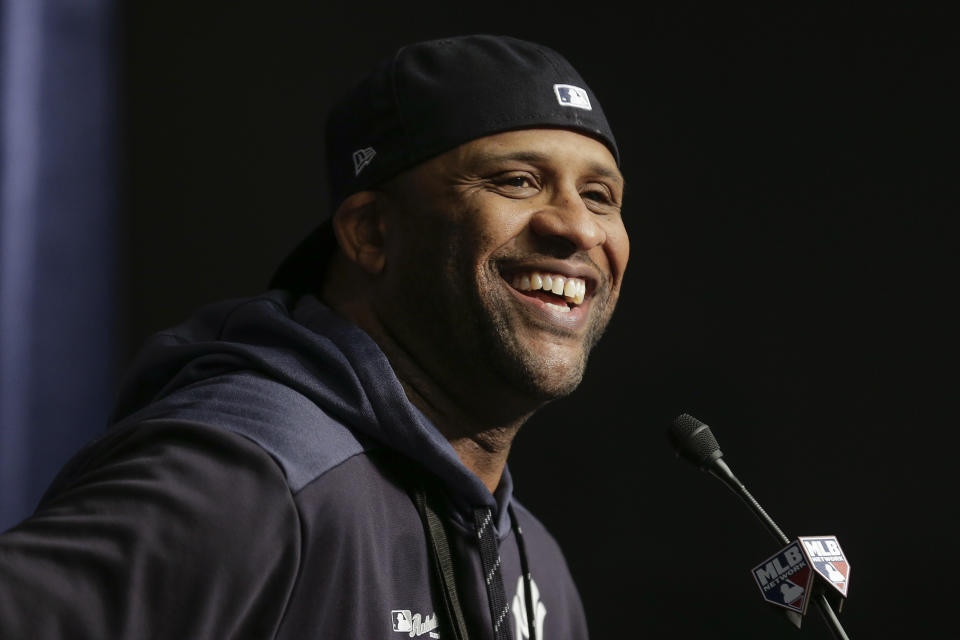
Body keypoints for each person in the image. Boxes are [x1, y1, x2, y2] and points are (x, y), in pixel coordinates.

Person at [0, 34, 627, 639]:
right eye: (515, 181)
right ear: (372, 234)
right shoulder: (253, 481)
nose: (579, 228)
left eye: (599, 196)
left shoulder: (532, 563)